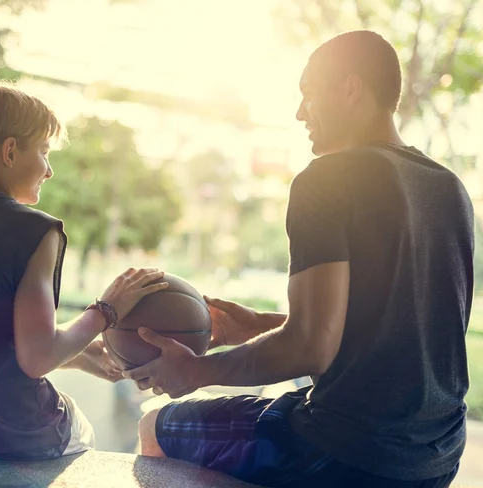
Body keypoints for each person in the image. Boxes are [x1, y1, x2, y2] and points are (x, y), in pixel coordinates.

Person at [124, 30, 472, 488]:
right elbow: (392, 336)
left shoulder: (327, 178)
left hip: (344, 453)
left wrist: (195, 370)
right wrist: (254, 327)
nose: (299, 112)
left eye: (308, 94)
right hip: (437, 457)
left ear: (350, 89)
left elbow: (310, 345)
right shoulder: (449, 188)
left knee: (157, 426)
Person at [0, 84, 168, 459]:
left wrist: (83, 355)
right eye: (43, 151)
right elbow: (37, 358)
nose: (50, 170)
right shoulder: (36, 230)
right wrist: (106, 310)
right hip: (11, 437)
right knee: (79, 426)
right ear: (10, 151)